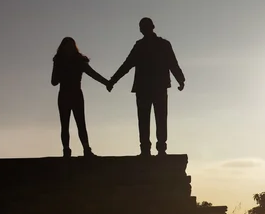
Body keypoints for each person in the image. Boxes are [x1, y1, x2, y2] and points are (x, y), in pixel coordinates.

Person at [107, 17, 185, 156]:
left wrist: (180, 79)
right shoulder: (142, 46)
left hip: (155, 87)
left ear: (151, 27)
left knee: (158, 118)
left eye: (144, 26)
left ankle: (158, 148)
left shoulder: (161, 45)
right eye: (141, 26)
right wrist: (113, 80)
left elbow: (172, 63)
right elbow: (127, 64)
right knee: (147, 118)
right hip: (147, 88)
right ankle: (147, 149)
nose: (143, 29)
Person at [51, 37, 109, 157]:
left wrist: (106, 83)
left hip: (72, 95)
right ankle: (69, 150)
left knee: (80, 123)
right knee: (66, 124)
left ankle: (84, 149)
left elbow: (93, 74)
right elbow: (54, 81)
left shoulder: (75, 61)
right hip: (68, 95)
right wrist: (107, 83)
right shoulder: (63, 61)